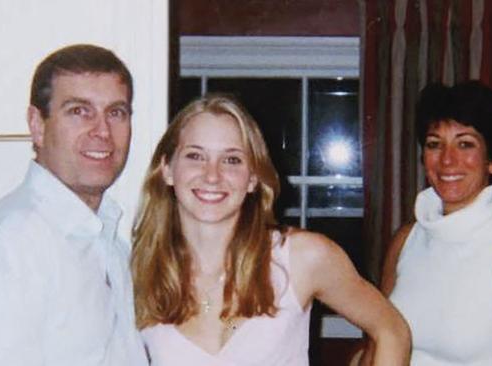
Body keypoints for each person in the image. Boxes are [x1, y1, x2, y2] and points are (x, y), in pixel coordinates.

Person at [131, 94, 411, 366]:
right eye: (195, 156)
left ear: (252, 177)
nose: (212, 175)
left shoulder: (302, 257)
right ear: (167, 169)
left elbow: (391, 330)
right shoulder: (137, 272)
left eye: (231, 160)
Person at [0, 44, 148, 365]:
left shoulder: (109, 242)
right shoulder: (13, 243)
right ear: (37, 125)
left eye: (116, 112)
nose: (102, 131)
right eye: (79, 111)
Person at [377, 81, 492, 365]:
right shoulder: (406, 239)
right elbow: (378, 346)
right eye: (435, 144)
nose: (447, 160)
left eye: (465, 144)